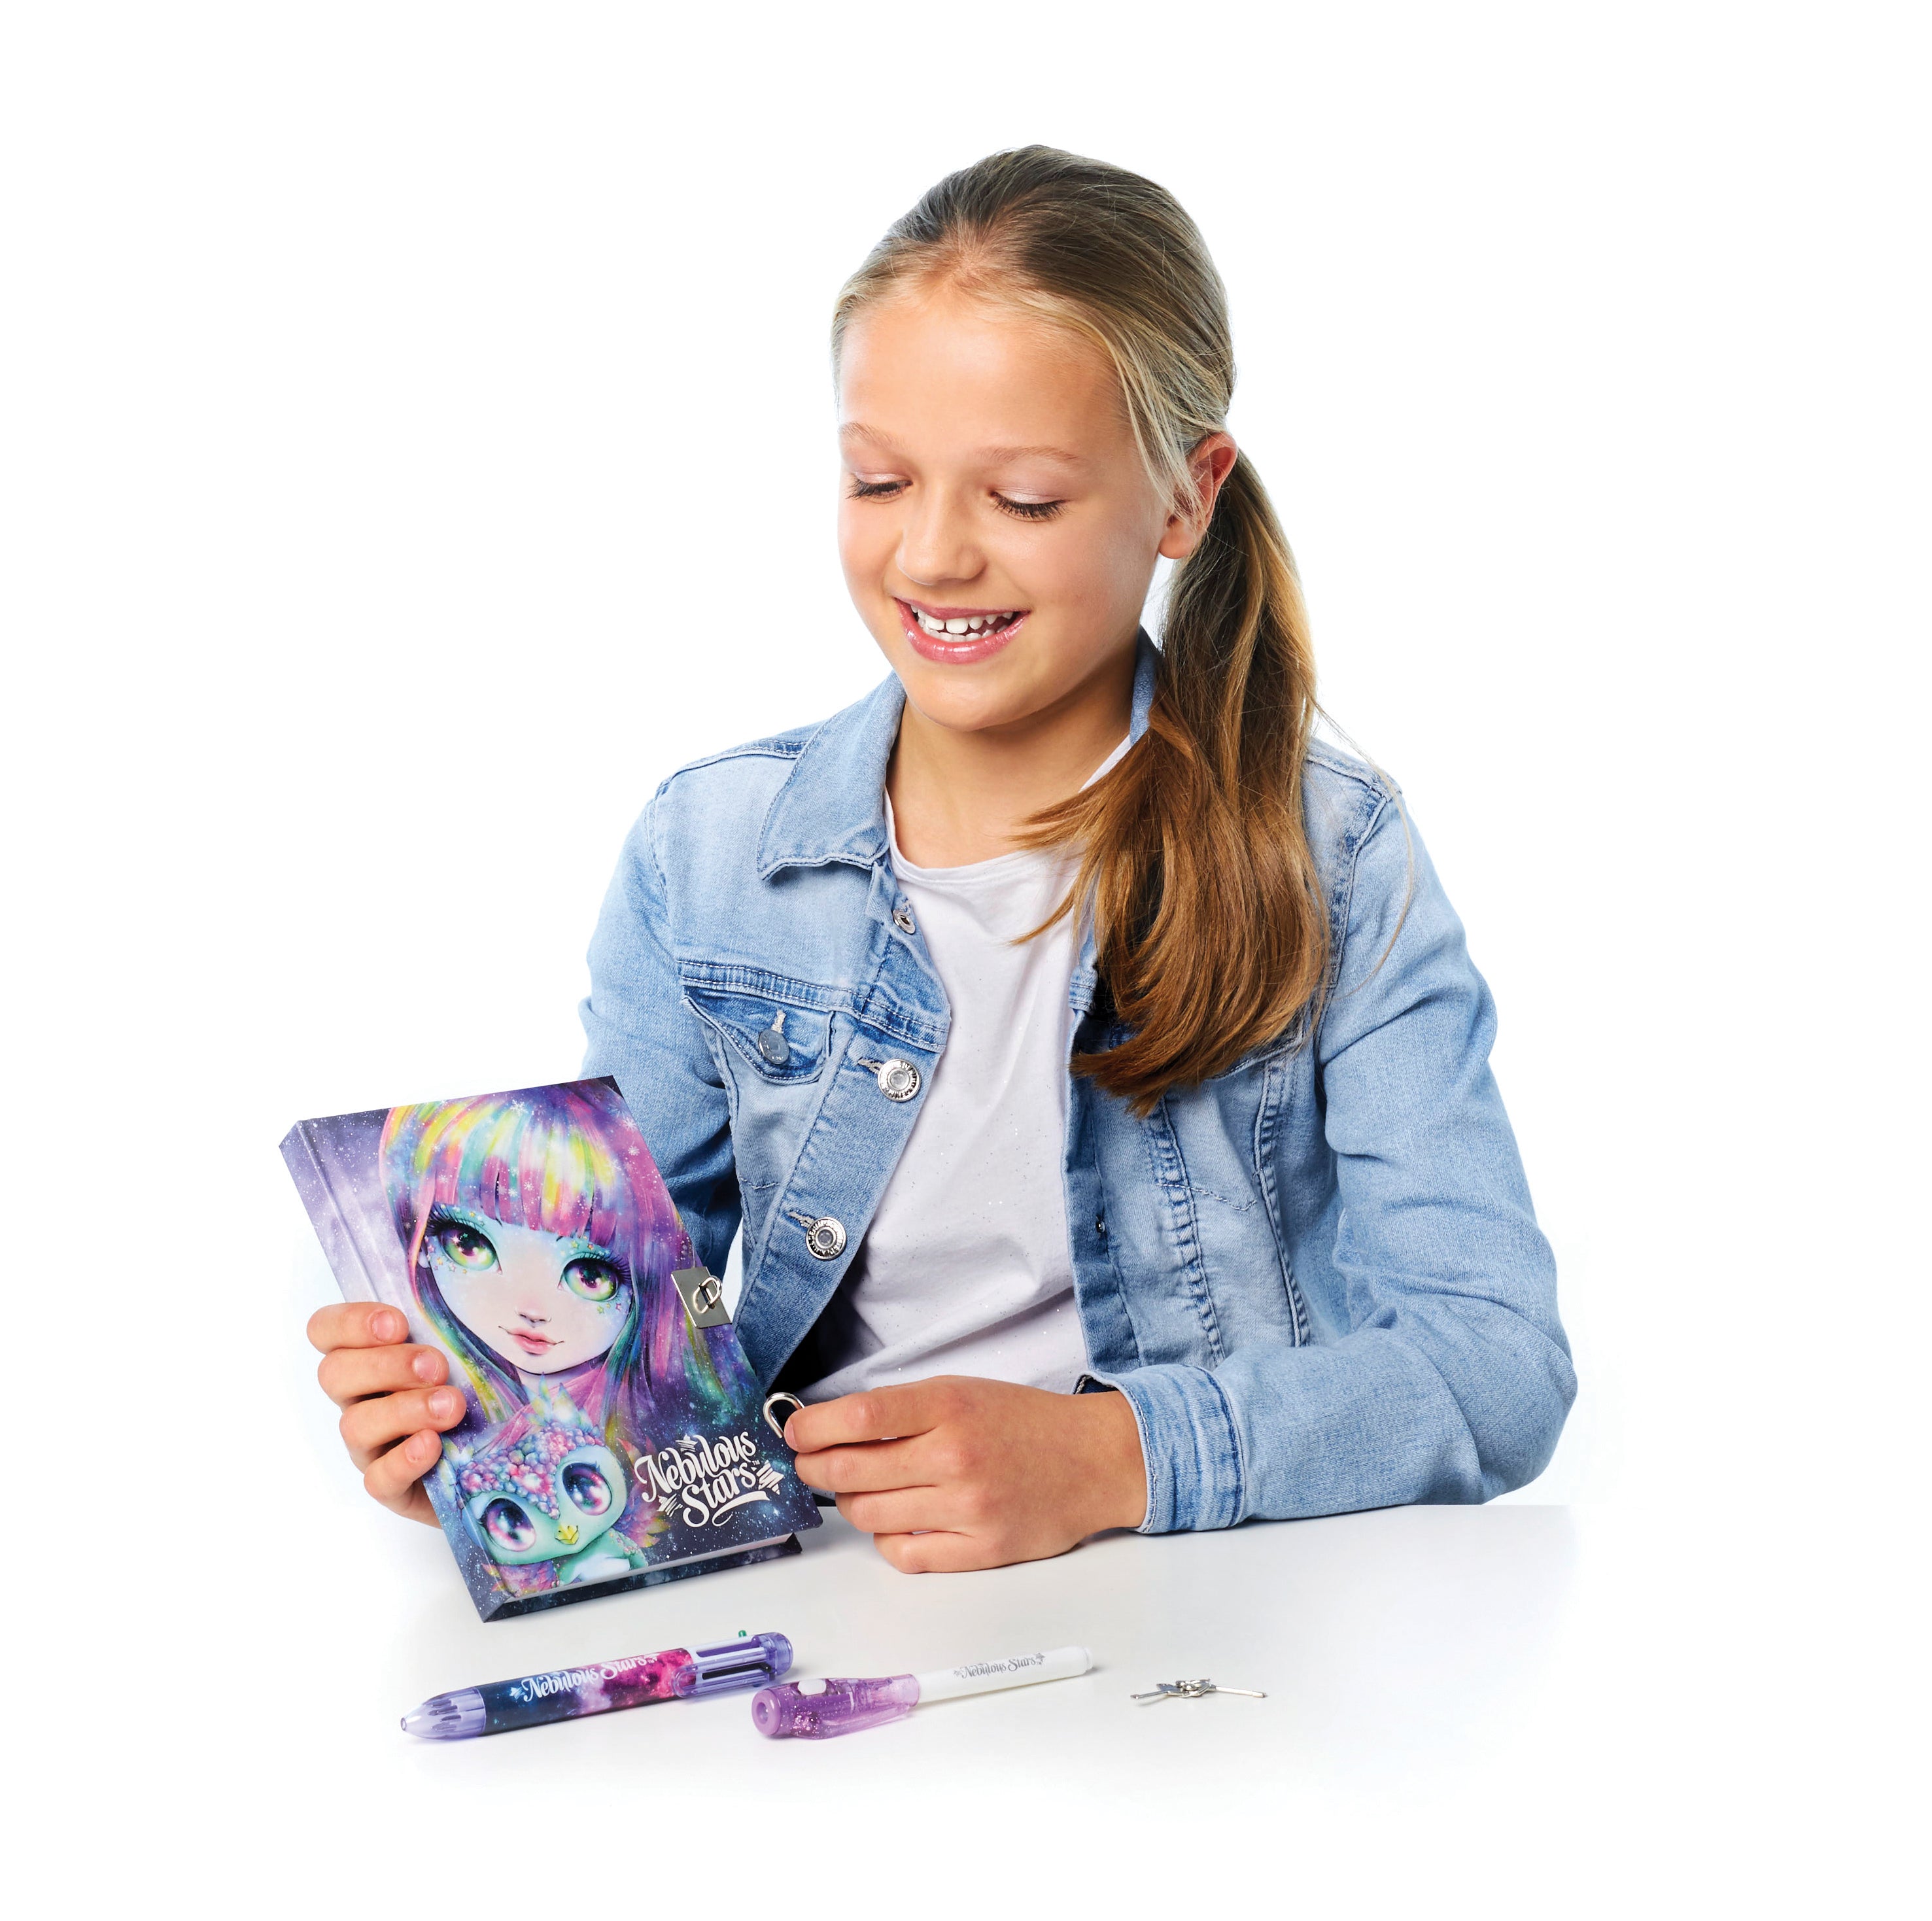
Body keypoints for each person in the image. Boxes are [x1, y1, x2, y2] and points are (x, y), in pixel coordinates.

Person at [308, 145, 1575, 1574]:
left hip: (1209, 1604)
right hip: (837, 1603)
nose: (930, 555)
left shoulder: (1331, 854)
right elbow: (638, 1359)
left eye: (1022, 499)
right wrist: (492, 1431)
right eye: (878, 479)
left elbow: (1497, 1364)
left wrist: (1112, 1455)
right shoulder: (706, 858)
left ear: (1185, 495)